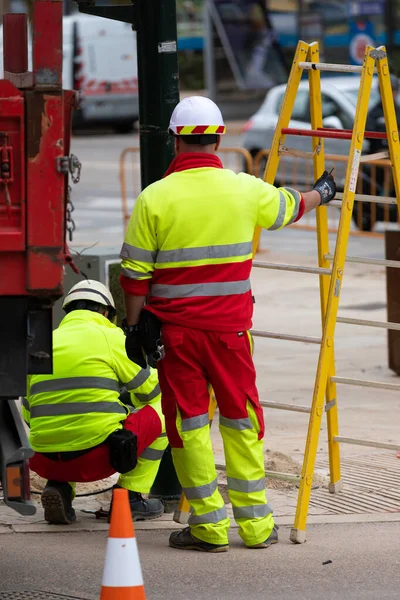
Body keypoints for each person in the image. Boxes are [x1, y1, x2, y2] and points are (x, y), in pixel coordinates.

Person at [119, 96, 337, 552]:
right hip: (232, 335)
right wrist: (324, 192)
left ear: (176, 139)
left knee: (190, 427)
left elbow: (134, 278)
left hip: (175, 338)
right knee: (241, 420)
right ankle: (257, 528)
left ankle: (209, 528)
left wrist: (135, 329)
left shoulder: (153, 199)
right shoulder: (244, 188)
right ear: (219, 138)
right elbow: (288, 207)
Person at [23, 279, 168, 525]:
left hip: (42, 460)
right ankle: (130, 497)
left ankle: (60, 488)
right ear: (106, 313)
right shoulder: (111, 337)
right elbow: (153, 390)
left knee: (62, 424)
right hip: (97, 460)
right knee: (164, 407)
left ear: (68, 311)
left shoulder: (43, 342)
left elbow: (30, 414)